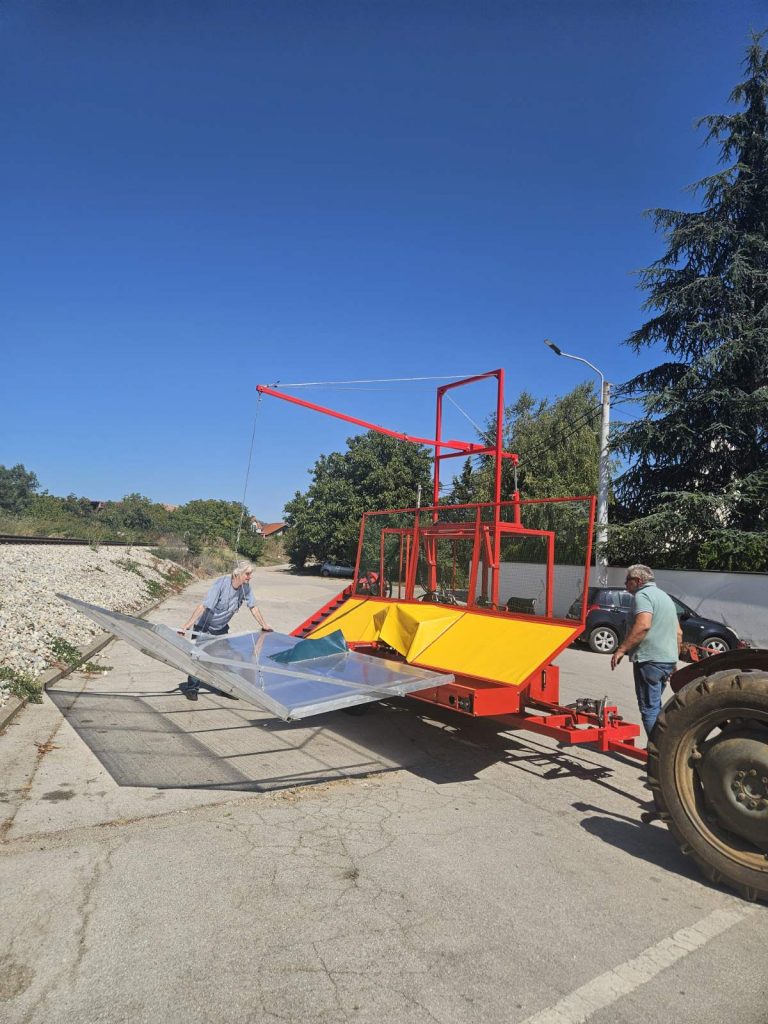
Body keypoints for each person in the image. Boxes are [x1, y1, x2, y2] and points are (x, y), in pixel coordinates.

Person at [178, 561, 273, 701]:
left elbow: (253, 607)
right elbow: (204, 605)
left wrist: (264, 625)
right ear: (238, 573)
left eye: (250, 574)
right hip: (204, 627)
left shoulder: (245, 588)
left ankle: (225, 688)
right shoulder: (221, 584)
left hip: (221, 628)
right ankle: (192, 688)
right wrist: (186, 626)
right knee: (198, 658)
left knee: (226, 659)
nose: (250, 577)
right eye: (247, 574)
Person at [610, 564, 682, 737]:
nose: (625, 584)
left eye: (627, 580)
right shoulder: (665, 597)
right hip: (665, 660)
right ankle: (665, 744)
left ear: (637, 581)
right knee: (656, 706)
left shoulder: (642, 595)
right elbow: (678, 633)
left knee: (649, 709)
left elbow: (643, 625)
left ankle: (660, 749)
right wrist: (674, 658)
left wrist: (621, 650)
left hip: (649, 660)